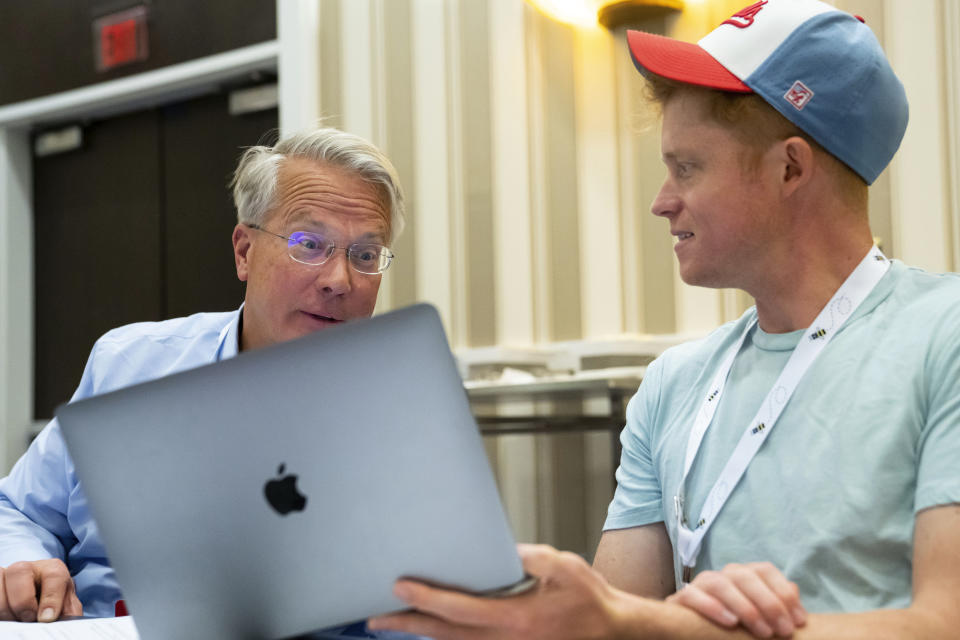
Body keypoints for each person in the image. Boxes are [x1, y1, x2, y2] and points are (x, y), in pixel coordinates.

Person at [368, 1, 960, 638]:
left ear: (790, 167)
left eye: (686, 167)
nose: (661, 201)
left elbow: (945, 622)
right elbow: (616, 623)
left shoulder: (942, 337)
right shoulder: (674, 384)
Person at [0, 127, 414, 637]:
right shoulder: (129, 364)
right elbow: (17, 509)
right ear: (244, 251)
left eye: (365, 256)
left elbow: (431, 619)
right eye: (309, 244)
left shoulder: (403, 425)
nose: (339, 280)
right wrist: (23, 561)